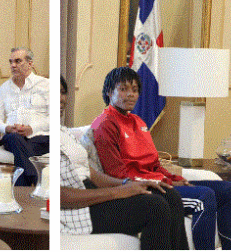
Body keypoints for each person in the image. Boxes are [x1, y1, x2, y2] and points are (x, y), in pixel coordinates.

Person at [92, 66, 231, 250]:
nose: (130, 94)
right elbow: (117, 174)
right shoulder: (105, 124)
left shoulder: (138, 122)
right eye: (123, 89)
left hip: (161, 182)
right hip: (145, 188)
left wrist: (174, 178)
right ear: (109, 92)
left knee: (228, 190)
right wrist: (163, 182)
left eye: (135, 90)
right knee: (204, 196)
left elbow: (154, 165)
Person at [59, 75, 188, 250]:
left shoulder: (64, 133)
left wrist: (127, 184)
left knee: (170, 195)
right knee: (155, 207)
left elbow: (91, 174)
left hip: (92, 191)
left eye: (62, 93)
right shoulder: (44, 139)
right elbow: (60, 195)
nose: (60, 99)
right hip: (76, 209)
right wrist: (119, 191)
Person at [0, 47, 50, 186]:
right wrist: (7, 128)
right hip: (13, 137)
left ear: (30, 63)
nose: (13, 65)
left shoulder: (46, 85)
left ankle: (22, 190)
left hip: (40, 138)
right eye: (11, 62)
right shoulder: (4, 89)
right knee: (15, 139)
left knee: (21, 153)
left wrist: (31, 128)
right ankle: (37, 181)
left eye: (17, 61)